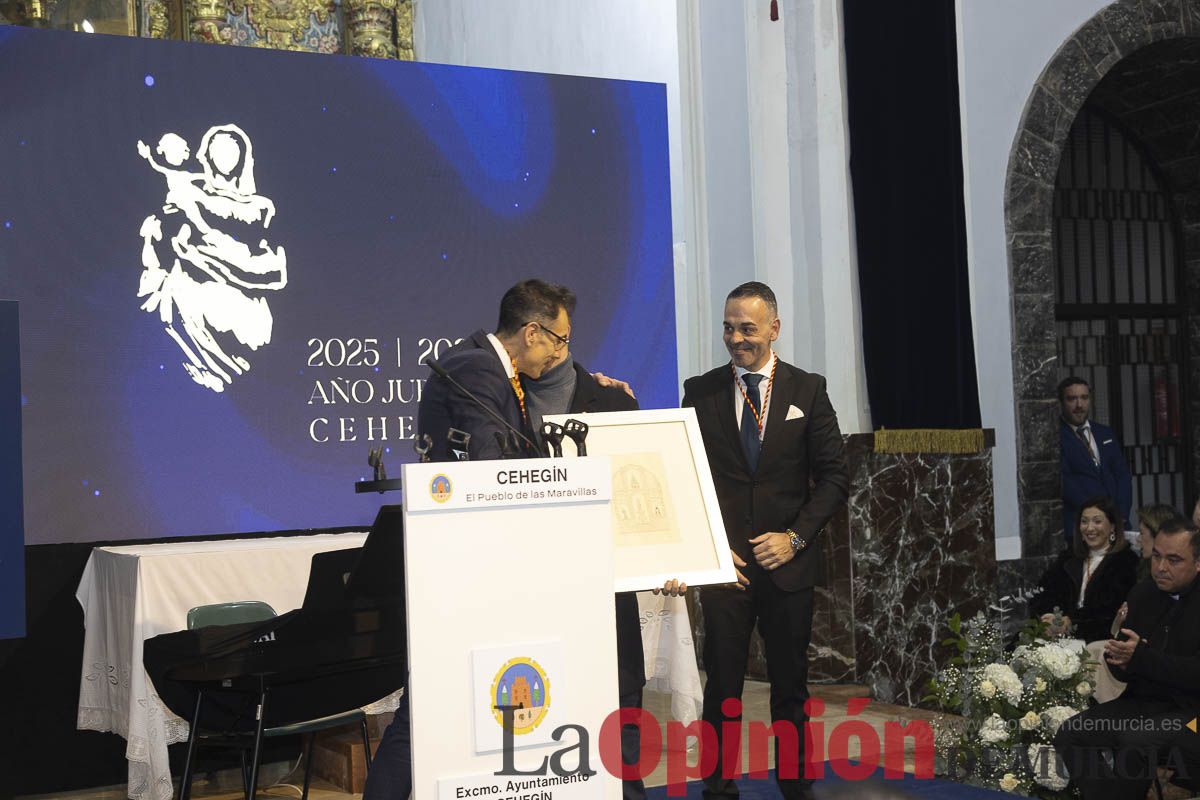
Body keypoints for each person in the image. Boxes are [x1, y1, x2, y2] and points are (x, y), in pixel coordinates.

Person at [682, 281, 849, 800]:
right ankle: (717, 787)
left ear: (774, 329)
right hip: (726, 568)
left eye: (748, 328)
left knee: (790, 689)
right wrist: (711, 545)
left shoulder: (808, 390)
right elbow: (688, 476)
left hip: (788, 566)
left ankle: (796, 788)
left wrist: (795, 538)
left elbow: (835, 477)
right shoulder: (701, 391)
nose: (736, 338)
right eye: (729, 327)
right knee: (723, 687)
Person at [524, 346, 683, 800]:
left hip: (607, 597)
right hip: (536, 594)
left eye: (566, 335)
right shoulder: (501, 401)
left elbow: (646, 487)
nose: (562, 344)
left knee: (620, 714)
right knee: (546, 724)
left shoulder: (614, 401)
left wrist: (669, 555)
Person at [1054, 519, 1200, 799]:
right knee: (1072, 733)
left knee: (1137, 739)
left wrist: (1142, 658)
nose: (1161, 567)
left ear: (1198, 563)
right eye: (1156, 556)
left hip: (1193, 711)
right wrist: (1120, 660)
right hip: (1146, 704)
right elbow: (1127, 666)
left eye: (1174, 560)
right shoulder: (1143, 593)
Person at [417, 278, 574, 461]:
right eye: (558, 341)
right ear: (531, 334)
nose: (557, 353)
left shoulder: (496, 368)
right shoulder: (477, 367)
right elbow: (489, 456)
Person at [1028, 495, 1138, 643]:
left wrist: (1071, 622)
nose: (1089, 528)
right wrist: (1050, 617)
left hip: (1098, 637)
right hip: (1058, 634)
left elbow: (1108, 611)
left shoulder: (1125, 562)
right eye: (1084, 522)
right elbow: (1043, 593)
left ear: (1112, 526)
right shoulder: (1068, 558)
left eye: (1097, 521)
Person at [1058, 376, 1132, 545]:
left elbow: (1123, 475)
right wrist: (1101, 517)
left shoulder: (1104, 433)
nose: (1079, 405)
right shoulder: (1056, 439)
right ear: (1061, 402)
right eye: (1072, 399)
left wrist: (1120, 515)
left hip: (1117, 526)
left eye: (1084, 398)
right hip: (1083, 530)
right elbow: (1067, 484)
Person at [1135, 503, 1180, 583]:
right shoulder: (1144, 567)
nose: (1138, 539)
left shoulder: (1178, 573)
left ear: (1157, 535)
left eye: (1142, 533)